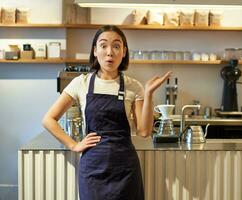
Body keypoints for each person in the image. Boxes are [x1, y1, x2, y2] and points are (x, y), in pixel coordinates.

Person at [42, 25, 171, 200]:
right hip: (92, 170)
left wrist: (148, 94)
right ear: (95, 51)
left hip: (125, 170)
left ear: (124, 52)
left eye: (116, 46)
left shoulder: (134, 86)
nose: (110, 52)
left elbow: (144, 131)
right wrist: (73, 145)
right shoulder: (82, 83)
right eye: (103, 46)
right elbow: (49, 119)